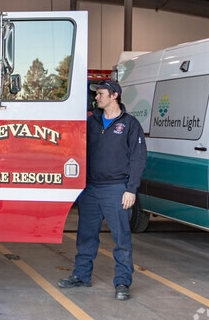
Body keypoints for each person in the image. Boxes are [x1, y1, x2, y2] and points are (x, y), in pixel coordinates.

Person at [58, 79, 147, 300]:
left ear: (114, 95)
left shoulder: (130, 124)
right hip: (90, 189)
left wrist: (131, 189)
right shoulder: (91, 123)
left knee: (121, 238)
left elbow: (138, 159)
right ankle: (81, 275)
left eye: (100, 93)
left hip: (117, 188)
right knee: (86, 236)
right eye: (96, 94)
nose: (96, 97)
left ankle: (122, 283)